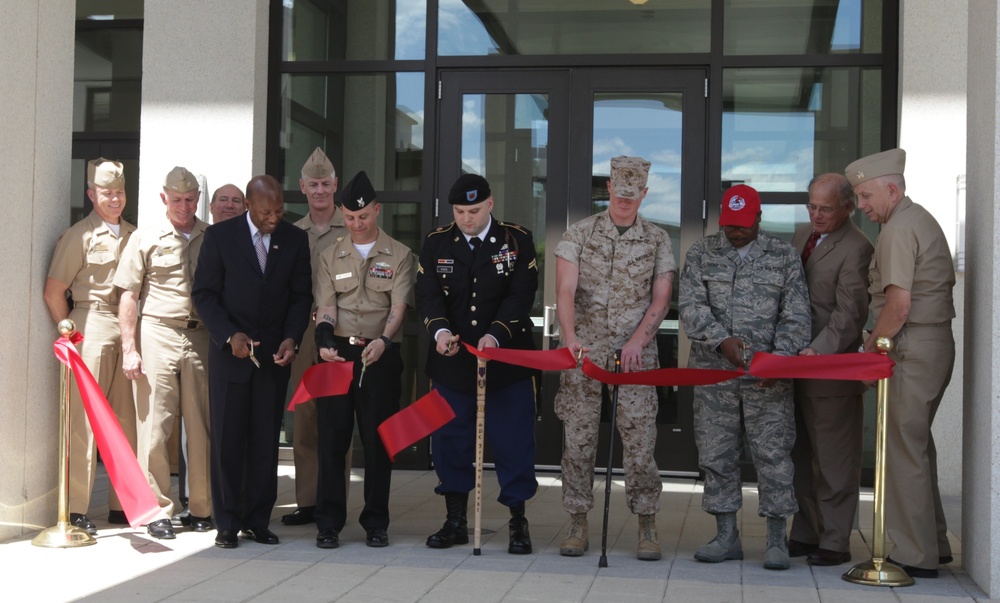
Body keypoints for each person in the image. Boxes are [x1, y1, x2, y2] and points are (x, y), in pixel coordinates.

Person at [679, 184, 810, 570]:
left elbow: (797, 314)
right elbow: (690, 305)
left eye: (743, 225)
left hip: (767, 377)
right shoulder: (702, 253)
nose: (735, 232)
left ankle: (775, 539)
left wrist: (779, 361)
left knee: (772, 454)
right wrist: (721, 341)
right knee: (717, 454)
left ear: (759, 218)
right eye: (729, 225)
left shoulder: (783, 256)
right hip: (712, 375)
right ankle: (725, 536)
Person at [553, 156, 674, 561]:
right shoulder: (580, 234)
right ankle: (576, 519)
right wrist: (570, 338)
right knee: (579, 440)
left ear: (644, 193)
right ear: (608, 188)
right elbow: (565, 291)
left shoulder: (657, 239)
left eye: (633, 195)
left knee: (640, 444)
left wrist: (638, 340)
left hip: (635, 357)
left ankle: (646, 521)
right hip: (584, 354)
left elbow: (662, 297)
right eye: (619, 194)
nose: (625, 201)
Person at [415, 173, 539, 555]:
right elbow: (429, 296)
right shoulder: (437, 242)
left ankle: (518, 521)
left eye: (473, 210)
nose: (466, 219)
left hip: (506, 361)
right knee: (450, 441)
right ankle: (455, 519)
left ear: (490, 204)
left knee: (512, 441)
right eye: (459, 211)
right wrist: (439, 334)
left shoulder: (516, 240)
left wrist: (496, 336)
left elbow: (521, 296)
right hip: (453, 361)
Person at [846, 148, 956, 579]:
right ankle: (934, 543)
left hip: (911, 348)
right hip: (929, 345)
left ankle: (913, 555)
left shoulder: (898, 229)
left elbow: (898, 305)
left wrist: (870, 351)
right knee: (917, 448)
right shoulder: (917, 219)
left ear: (892, 189)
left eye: (866, 196)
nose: (862, 206)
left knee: (900, 452)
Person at [192, 174, 312, 549]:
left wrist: (292, 338)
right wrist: (229, 336)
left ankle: (258, 519)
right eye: (265, 212)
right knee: (228, 441)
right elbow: (205, 295)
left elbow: (300, 296)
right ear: (247, 205)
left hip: (274, 359)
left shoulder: (295, 239)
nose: (273, 218)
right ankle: (226, 522)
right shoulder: (220, 237)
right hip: (231, 357)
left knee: (264, 442)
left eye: (278, 211)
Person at [311, 170, 413, 549]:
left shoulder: (400, 254)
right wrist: (323, 339)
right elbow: (326, 304)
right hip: (339, 355)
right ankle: (328, 522)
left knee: (377, 441)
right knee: (333, 439)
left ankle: (376, 522)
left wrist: (384, 340)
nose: (357, 224)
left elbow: (399, 305)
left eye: (364, 216)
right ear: (342, 214)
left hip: (380, 355)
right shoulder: (329, 254)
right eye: (350, 218)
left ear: (377, 211)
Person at [114, 166, 212, 540]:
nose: (184, 207)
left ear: (197, 200)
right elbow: (128, 295)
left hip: (201, 336)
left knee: (201, 426)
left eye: (190, 200)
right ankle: (157, 511)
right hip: (157, 332)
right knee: (155, 425)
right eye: (176, 200)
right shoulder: (145, 237)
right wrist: (129, 348)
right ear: (163, 199)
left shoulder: (212, 237)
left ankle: (202, 508)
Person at [43, 158, 137, 534]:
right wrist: (72, 334)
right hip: (91, 322)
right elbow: (53, 292)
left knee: (125, 418)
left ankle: (121, 504)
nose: (114, 199)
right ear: (91, 195)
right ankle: (77, 506)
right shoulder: (78, 235)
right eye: (106, 193)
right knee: (82, 420)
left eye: (119, 192)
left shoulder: (134, 234)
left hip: (128, 326)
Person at [788, 173, 874, 566]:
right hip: (794, 365)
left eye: (825, 208)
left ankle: (836, 541)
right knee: (802, 455)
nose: (816, 215)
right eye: (812, 206)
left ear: (848, 208)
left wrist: (815, 352)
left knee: (834, 461)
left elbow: (849, 314)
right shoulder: (802, 234)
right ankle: (806, 532)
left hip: (830, 367)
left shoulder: (857, 247)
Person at [283, 147, 350, 528]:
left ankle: (333, 500)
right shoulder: (293, 233)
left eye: (326, 184)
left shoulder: (354, 227)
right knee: (305, 419)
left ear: (335, 186)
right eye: (314, 184)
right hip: (304, 333)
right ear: (302, 187)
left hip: (340, 332)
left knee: (336, 419)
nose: (320, 190)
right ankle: (308, 500)